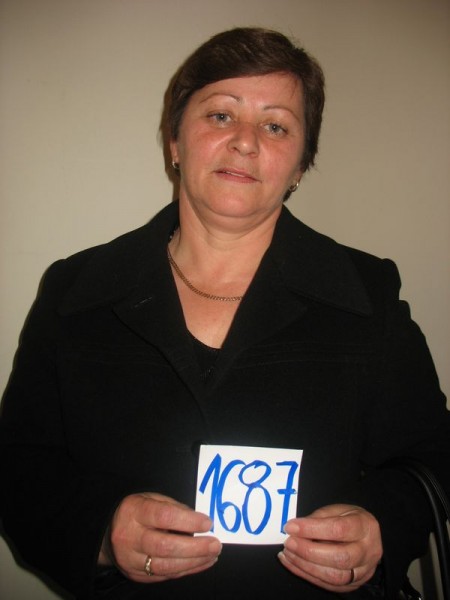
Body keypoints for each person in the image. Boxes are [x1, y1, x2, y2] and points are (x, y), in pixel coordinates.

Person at [0, 27, 448, 600]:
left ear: (300, 166)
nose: (245, 142)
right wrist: (102, 533)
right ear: (175, 141)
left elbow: (432, 457)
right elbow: (19, 468)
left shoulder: (368, 293)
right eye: (220, 115)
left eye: (276, 126)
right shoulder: (74, 292)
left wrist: (382, 524)